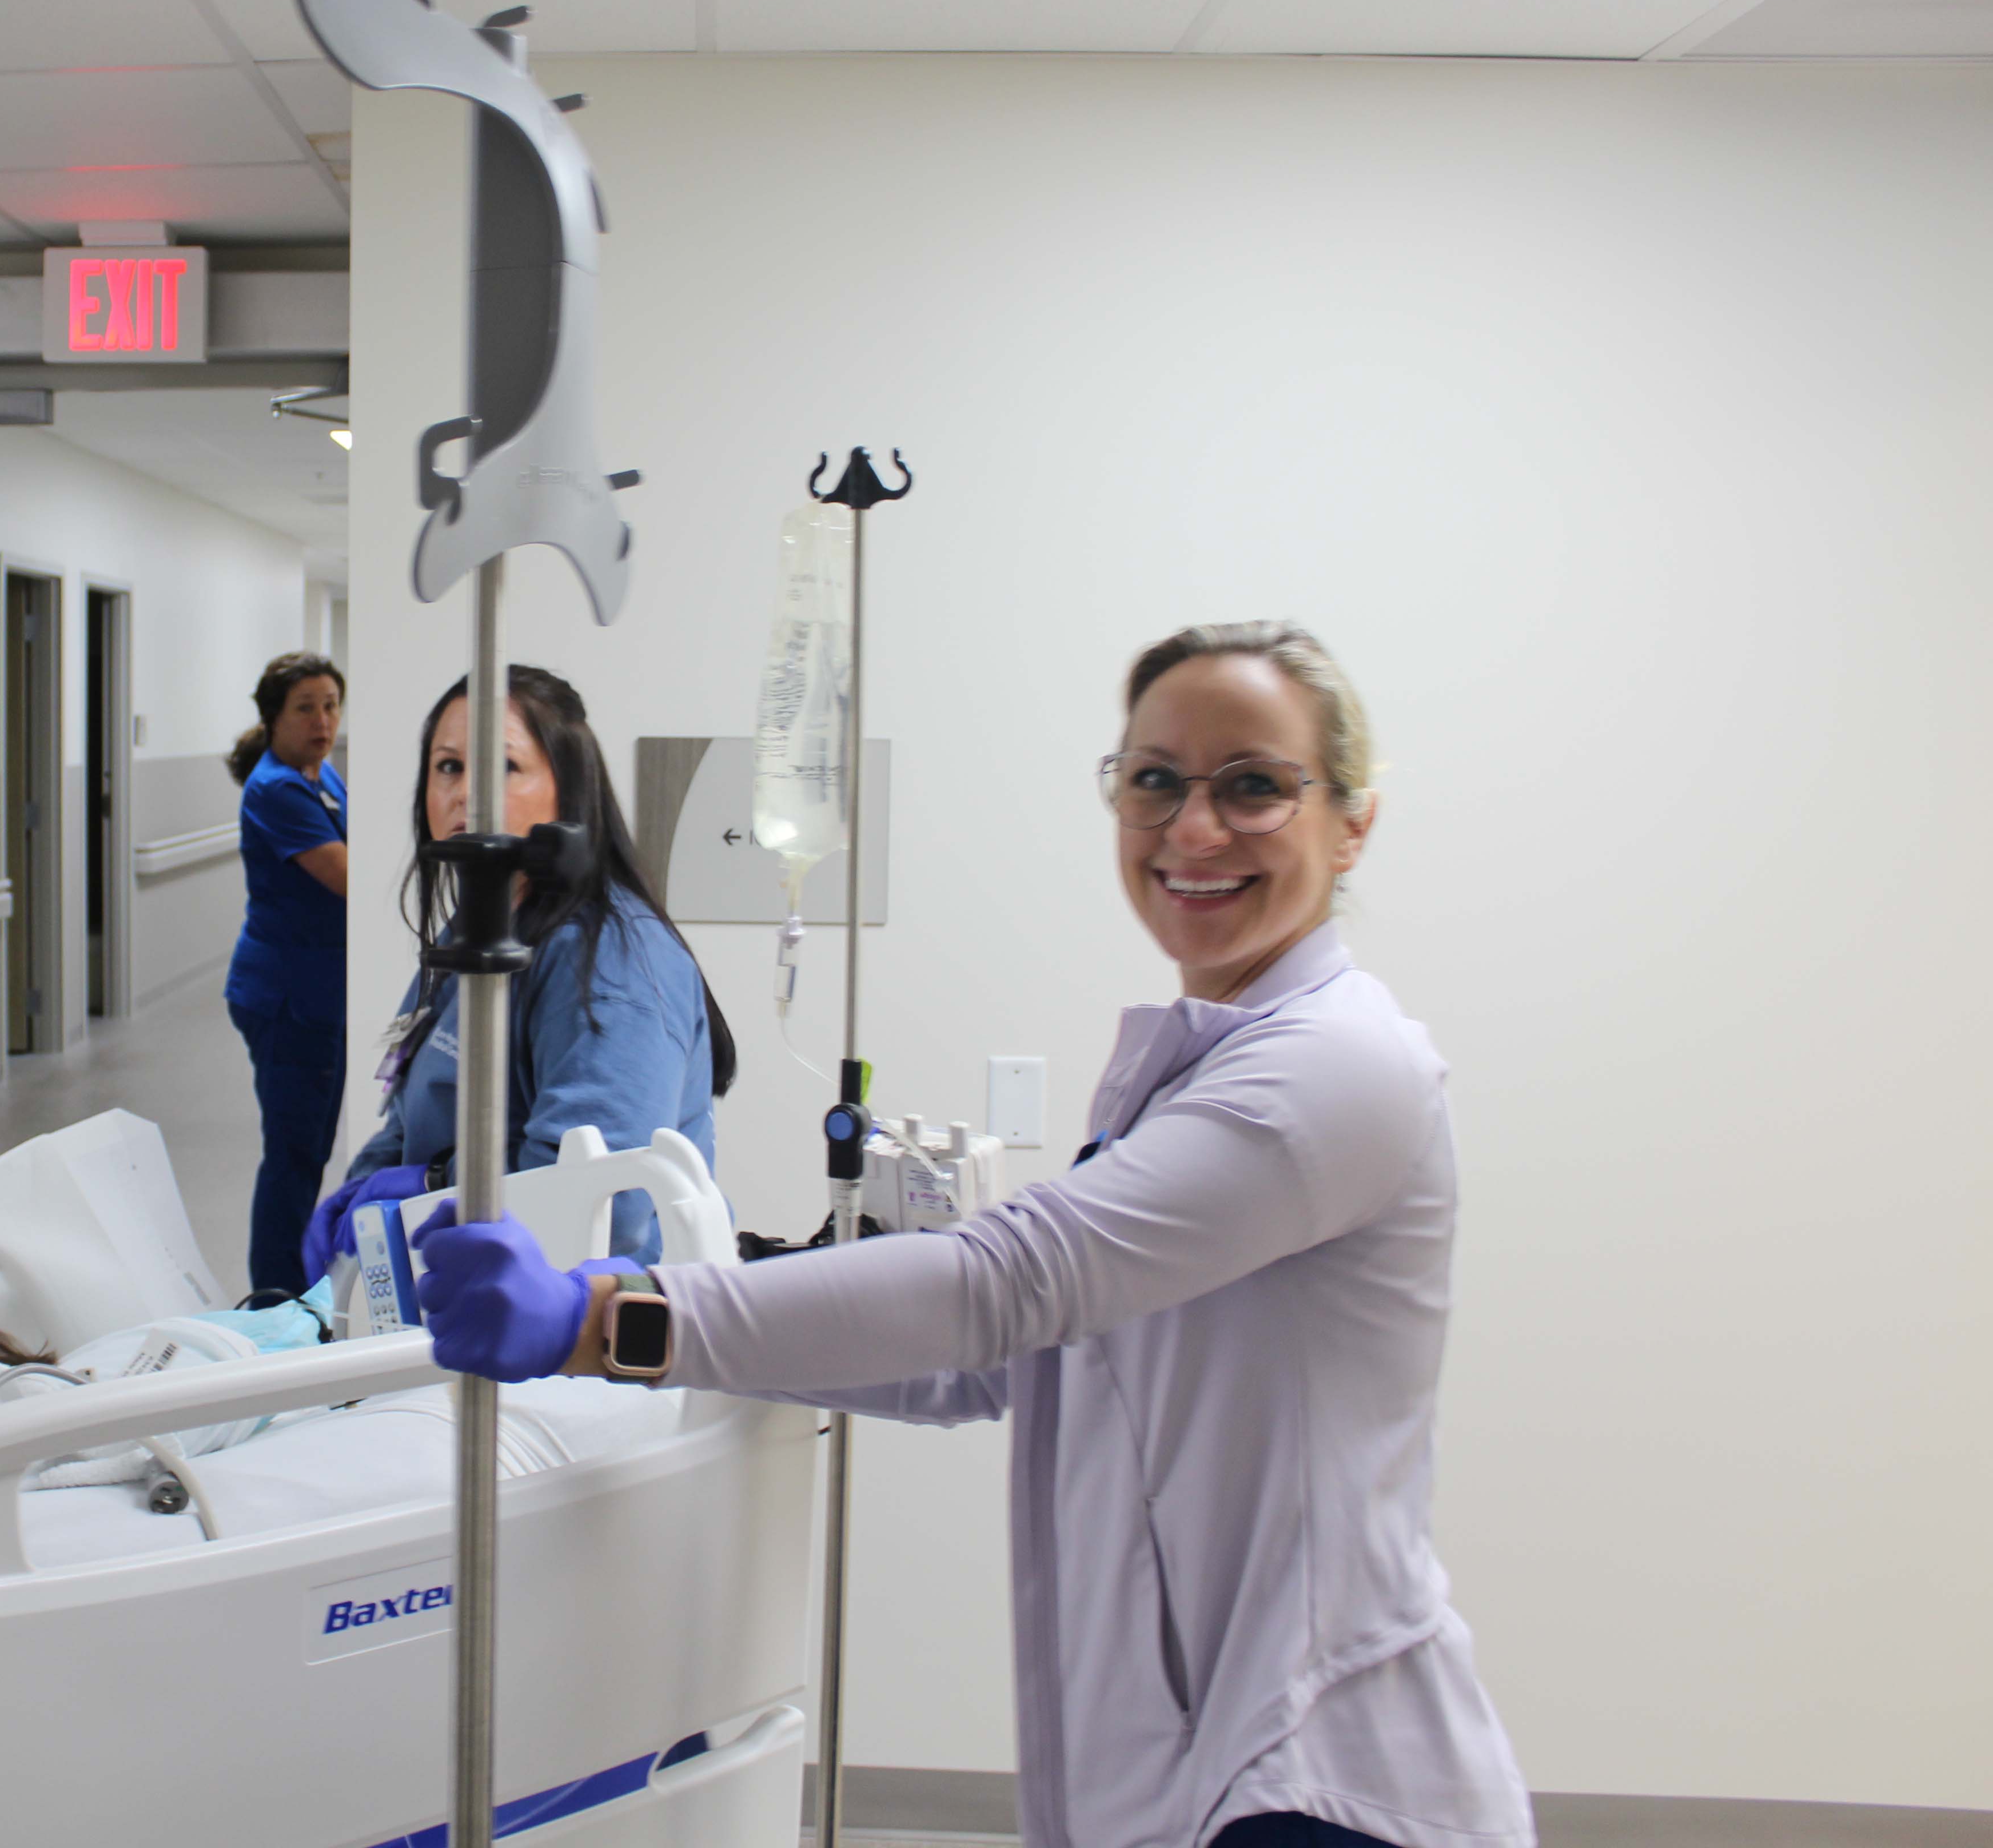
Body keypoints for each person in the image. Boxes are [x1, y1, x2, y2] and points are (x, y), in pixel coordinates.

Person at [410, 623, 1532, 1848]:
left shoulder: (1336, 1072)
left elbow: (1010, 1284)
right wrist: (671, 1301)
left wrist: (602, 1319)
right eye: (1154, 780)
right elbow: (991, 1361)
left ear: (1354, 821)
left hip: (1315, 1772)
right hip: (1195, 1766)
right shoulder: (1194, 1068)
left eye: (1254, 785)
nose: (1194, 831)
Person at [297, 664, 736, 1286]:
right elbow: (411, 1113)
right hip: (464, 1287)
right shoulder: (476, 932)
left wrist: (423, 1190)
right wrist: (361, 1196)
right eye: (448, 766)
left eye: (502, 767)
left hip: (591, 1325)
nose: (465, 794)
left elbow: (601, 1207)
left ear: (569, 789)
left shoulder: (615, 962)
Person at [224, 651, 351, 1294]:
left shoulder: (320, 776)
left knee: (309, 1150)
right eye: (306, 708)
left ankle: (290, 1282)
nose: (322, 720)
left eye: (331, 705)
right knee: (294, 1156)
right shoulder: (277, 788)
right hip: (287, 1000)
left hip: (319, 995)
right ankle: (274, 1296)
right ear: (274, 717)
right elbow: (348, 875)